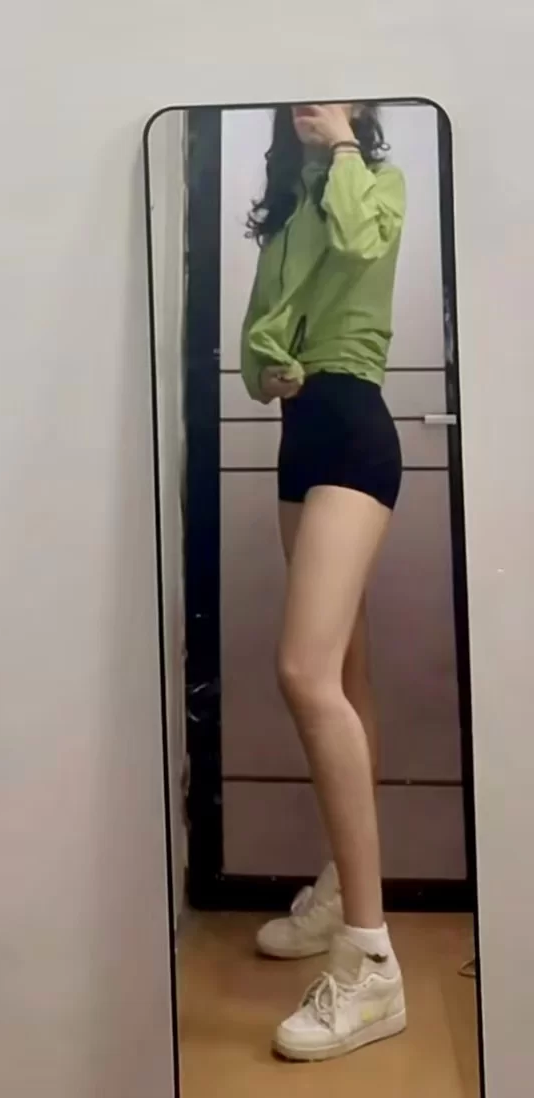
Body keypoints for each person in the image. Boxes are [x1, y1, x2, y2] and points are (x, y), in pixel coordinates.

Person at [240, 102, 407, 1061]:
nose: (310, 103)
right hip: (299, 435)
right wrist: (263, 371)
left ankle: (370, 960)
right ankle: (343, 892)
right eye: (300, 96)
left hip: (353, 430)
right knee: (341, 672)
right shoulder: (287, 206)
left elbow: (362, 238)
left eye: (332, 93)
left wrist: (342, 140)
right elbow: (257, 333)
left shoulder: (374, 183)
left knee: (302, 675)